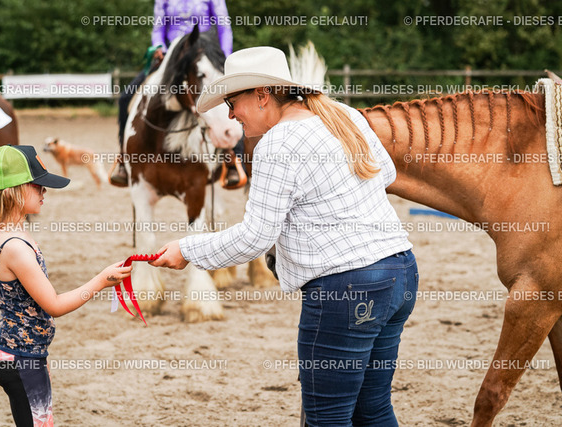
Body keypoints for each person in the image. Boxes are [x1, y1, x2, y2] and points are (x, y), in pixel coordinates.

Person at [150, 46, 418, 425]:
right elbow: (385, 174)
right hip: (399, 271)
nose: (230, 114)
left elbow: (255, 237)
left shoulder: (277, 143)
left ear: (262, 94)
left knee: (327, 417)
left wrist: (187, 249)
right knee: (373, 409)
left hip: (345, 288)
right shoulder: (344, 114)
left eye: (232, 102)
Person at [0, 145, 132, 426]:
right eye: (37, 186)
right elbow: (54, 305)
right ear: (14, 191)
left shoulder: (13, 231)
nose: (44, 191)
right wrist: (101, 280)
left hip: (26, 354)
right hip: (21, 358)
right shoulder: (14, 247)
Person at [111, 0, 246, 188]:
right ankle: (124, 157)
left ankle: (232, 158)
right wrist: (159, 47)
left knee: (229, 98)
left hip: (204, 54)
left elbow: (224, 27)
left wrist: (223, 56)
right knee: (127, 97)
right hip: (173, 58)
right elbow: (158, 29)